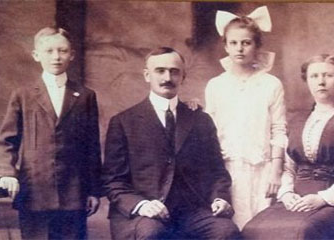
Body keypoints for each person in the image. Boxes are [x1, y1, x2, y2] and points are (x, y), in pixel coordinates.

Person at [101, 47, 240, 240]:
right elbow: (113, 181)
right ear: (147, 75)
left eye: (174, 71)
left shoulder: (200, 120)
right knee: (151, 233)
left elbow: (216, 170)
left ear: (183, 76)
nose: (167, 77)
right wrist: (142, 205)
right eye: (160, 71)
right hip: (142, 211)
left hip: (191, 211)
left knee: (226, 232)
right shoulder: (124, 122)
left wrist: (220, 198)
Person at [242, 54, 334, 239]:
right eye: (314, 76)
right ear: (307, 81)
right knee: (252, 229)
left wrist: (323, 198)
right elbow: (289, 167)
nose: (321, 82)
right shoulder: (297, 121)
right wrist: (287, 193)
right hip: (297, 200)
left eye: (328, 75)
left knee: (305, 231)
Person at [0, 26, 102, 239]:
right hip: (35, 190)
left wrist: (93, 190)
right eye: (49, 51)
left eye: (62, 51)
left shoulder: (85, 96)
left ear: (71, 55)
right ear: (36, 55)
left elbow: (92, 147)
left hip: (74, 192)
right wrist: (7, 173)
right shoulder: (23, 95)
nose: (56, 57)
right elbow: (6, 140)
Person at [205, 6, 287, 229]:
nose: (239, 49)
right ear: (225, 46)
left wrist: (275, 170)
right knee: (228, 228)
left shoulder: (271, 84)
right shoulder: (215, 85)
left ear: (257, 46)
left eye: (246, 42)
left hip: (262, 169)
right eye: (233, 43)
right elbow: (208, 130)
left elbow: (279, 129)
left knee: (261, 226)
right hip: (224, 171)